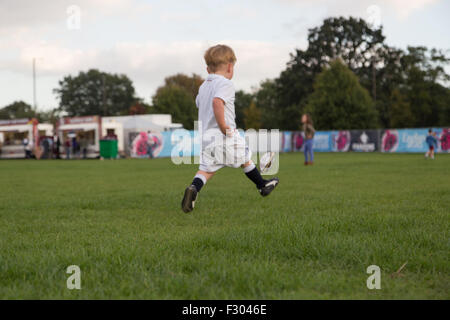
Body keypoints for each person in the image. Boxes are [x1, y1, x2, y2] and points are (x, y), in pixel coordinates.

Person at [181, 44, 279, 213]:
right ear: (229, 66)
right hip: (224, 135)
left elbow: (199, 103)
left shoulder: (204, 86)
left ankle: (193, 189)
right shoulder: (225, 84)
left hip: (207, 139)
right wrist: (224, 127)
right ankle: (262, 185)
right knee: (245, 157)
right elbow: (216, 102)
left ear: (208, 68)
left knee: (206, 170)